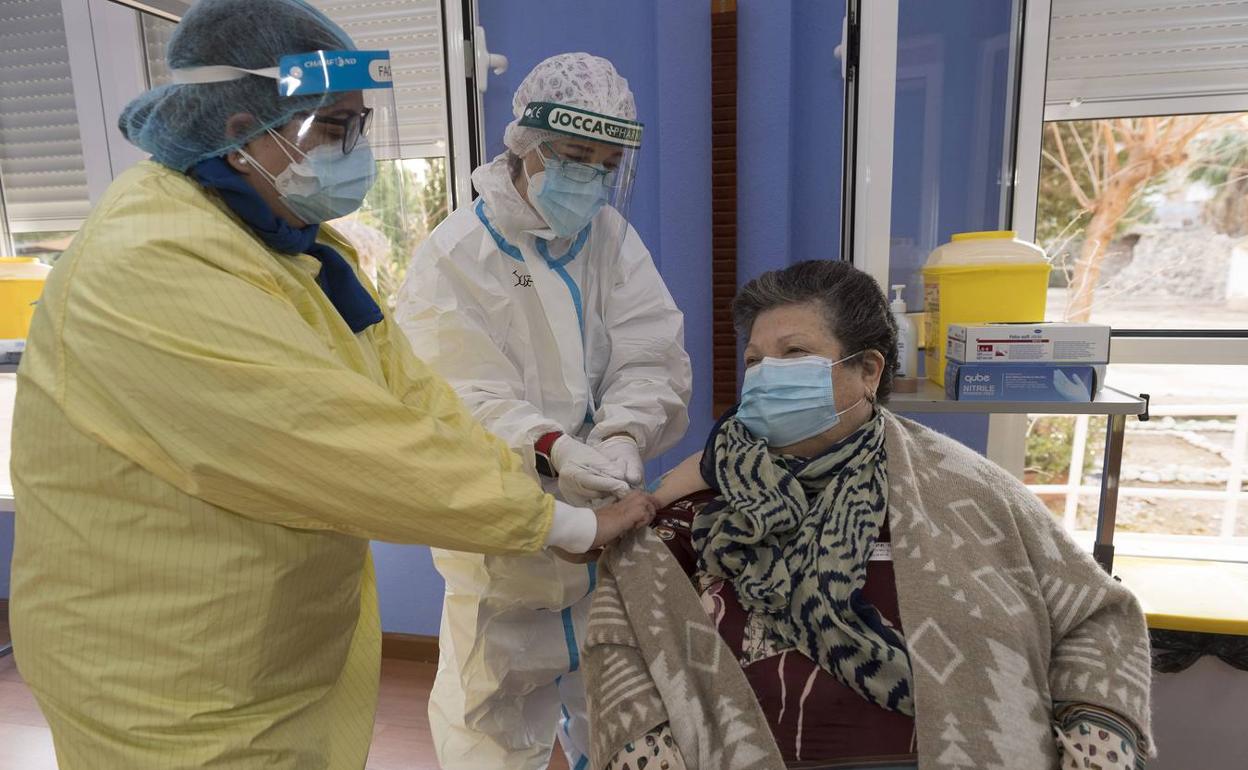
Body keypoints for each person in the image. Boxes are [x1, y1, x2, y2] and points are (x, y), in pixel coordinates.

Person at [7, 3, 655, 768]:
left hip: (263, 647)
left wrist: (600, 448)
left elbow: (410, 395)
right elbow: (338, 439)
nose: (358, 150)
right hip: (167, 672)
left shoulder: (290, 246)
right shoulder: (151, 261)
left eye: (360, 124)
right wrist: (557, 514)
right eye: (337, 127)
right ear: (244, 126)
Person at [583, 260, 1153, 770]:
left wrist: (1097, 744)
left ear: (869, 371)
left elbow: (1094, 615)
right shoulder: (708, 493)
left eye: (795, 353)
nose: (764, 374)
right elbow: (620, 625)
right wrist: (646, 749)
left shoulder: (971, 492)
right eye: (755, 360)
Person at [395, 53, 692, 770]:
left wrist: (624, 434)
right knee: (489, 730)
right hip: (508, 544)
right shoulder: (457, 254)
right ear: (524, 148)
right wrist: (552, 446)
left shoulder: (612, 240)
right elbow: (456, 393)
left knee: (618, 716)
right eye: (574, 157)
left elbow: (649, 351)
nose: (589, 177)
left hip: (610, 540)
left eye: (605, 161)